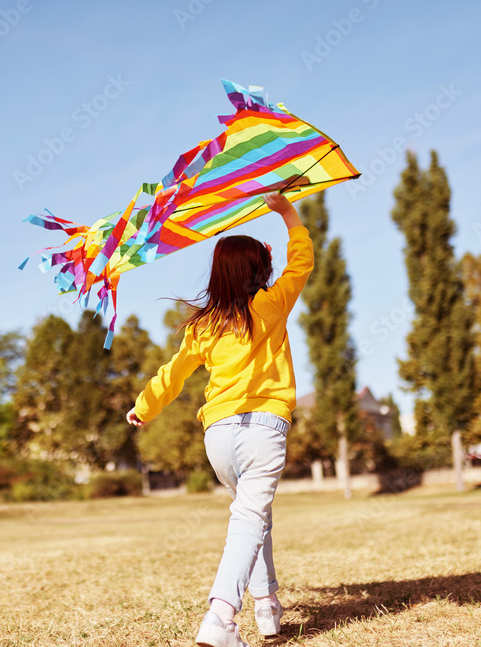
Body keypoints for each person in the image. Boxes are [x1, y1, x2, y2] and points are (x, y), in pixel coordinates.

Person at [126, 191, 313, 647]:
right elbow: (302, 262)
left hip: (219, 439)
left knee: (255, 516)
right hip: (263, 430)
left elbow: (173, 373)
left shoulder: (203, 325)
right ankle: (221, 618)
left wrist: (144, 407)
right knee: (249, 518)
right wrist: (287, 213)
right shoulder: (271, 306)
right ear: (260, 271)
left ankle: (267, 606)